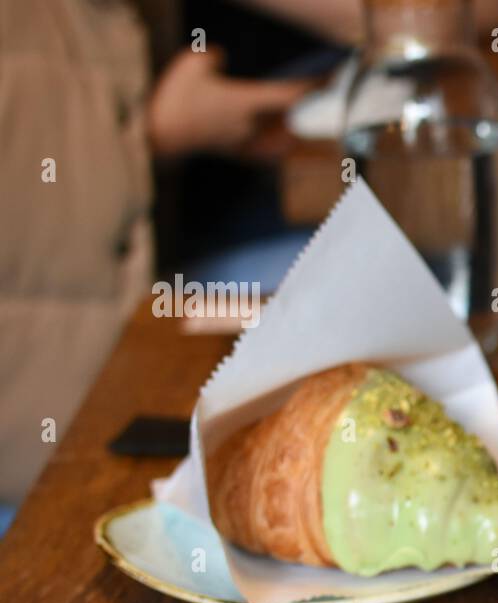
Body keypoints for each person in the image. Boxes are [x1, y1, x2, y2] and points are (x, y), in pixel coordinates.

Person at [0, 0, 364, 534]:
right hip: (44, 444)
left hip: (125, 317)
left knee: (356, 282)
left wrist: (157, 135)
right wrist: (153, 135)